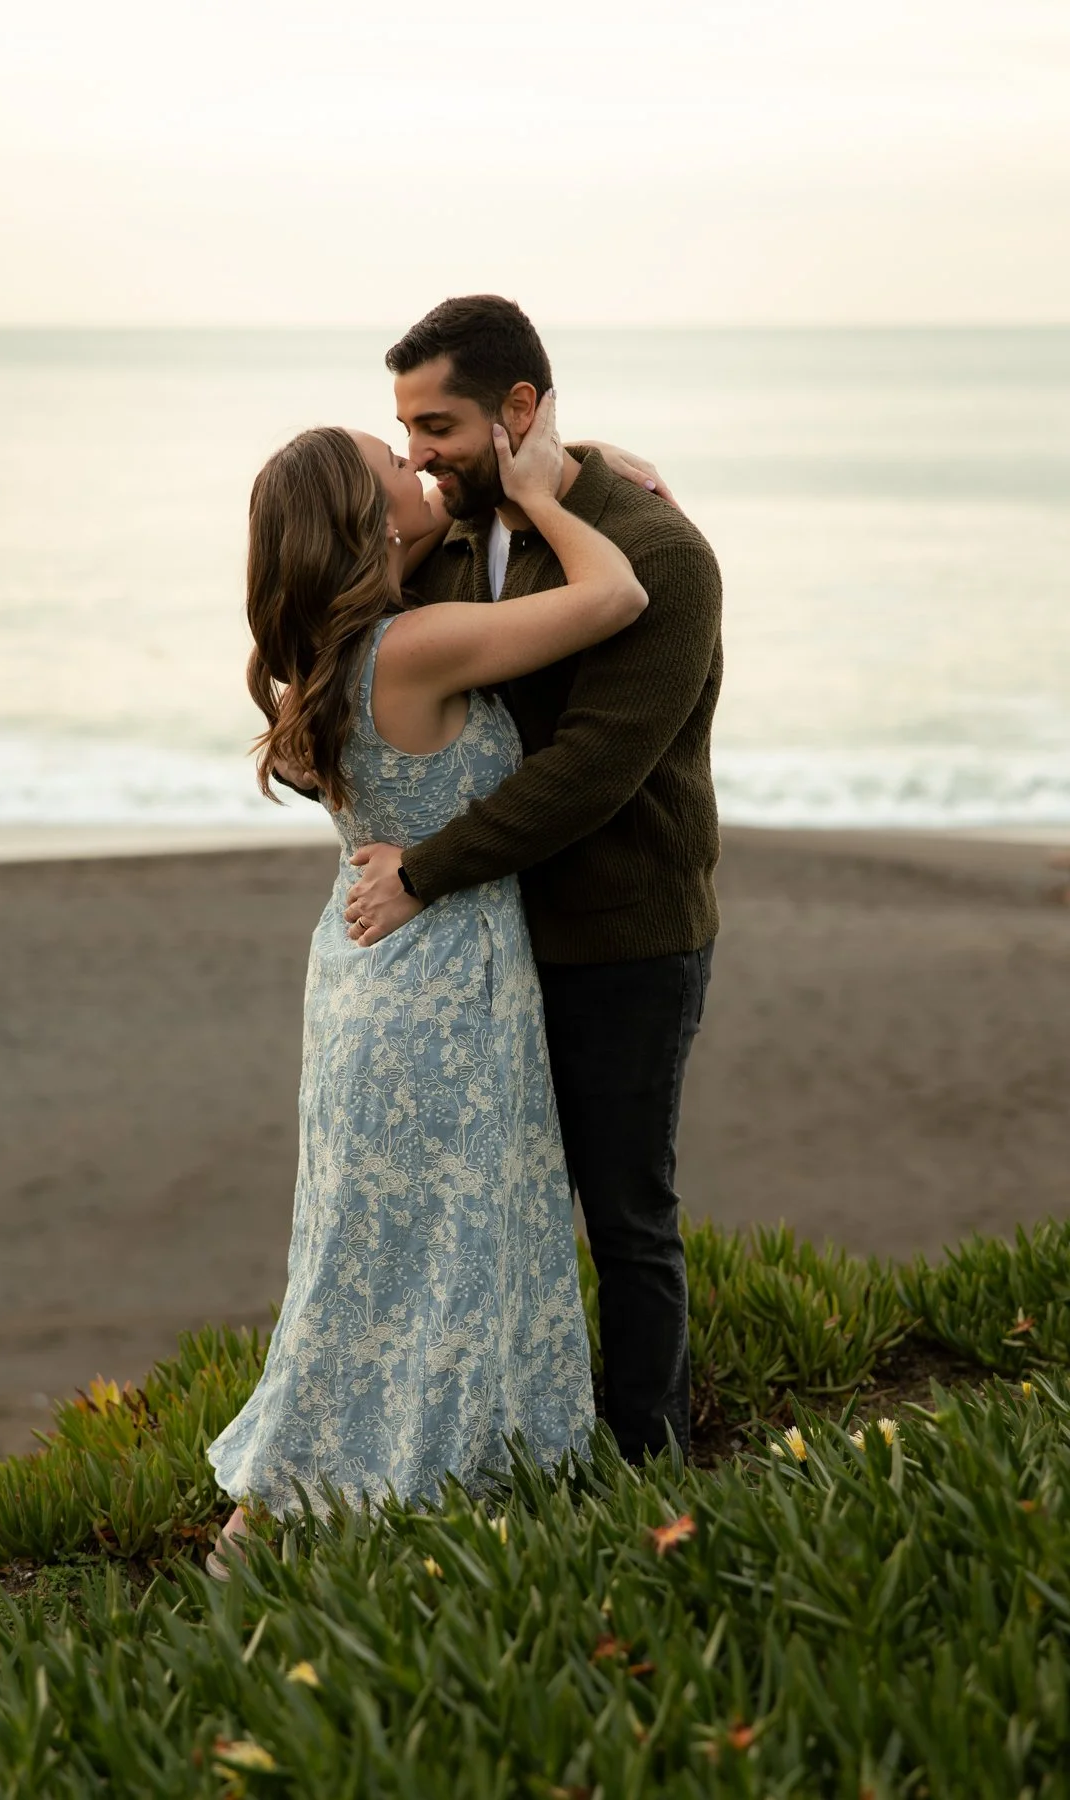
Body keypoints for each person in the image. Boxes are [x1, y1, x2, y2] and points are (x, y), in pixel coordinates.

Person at [204, 392, 650, 1579]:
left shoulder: (337, 652)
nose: (412, 465)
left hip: (377, 980)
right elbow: (617, 598)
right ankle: (311, 1519)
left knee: (372, 1256)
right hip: (439, 992)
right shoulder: (413, 647)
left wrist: (586, 463)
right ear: (368, 517)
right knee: (435, 1253)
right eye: (386, 464)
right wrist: (557, 499)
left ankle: (339, 1512)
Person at [343, 295, 723, 1474]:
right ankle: (521, 1448)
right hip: (489, 940)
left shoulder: (659, 554)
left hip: (620, 938)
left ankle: (651, 1462)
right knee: (497, 1216)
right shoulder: (448, 542)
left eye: (436, 424)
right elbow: (342, 623)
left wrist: (425, 871)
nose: (416, 454)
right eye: (403, 428)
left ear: (518, 409)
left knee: (625, 1216)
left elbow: (591, 773)